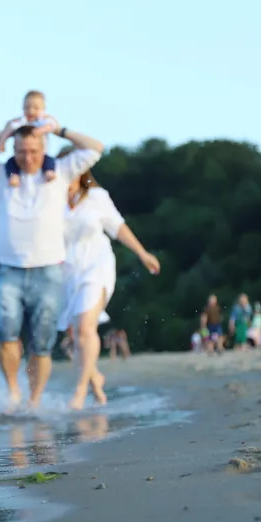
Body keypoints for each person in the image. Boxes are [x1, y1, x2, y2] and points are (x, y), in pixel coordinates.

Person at [0, 122, 104, 410]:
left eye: (34, 151)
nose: (28, 157)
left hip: (49, 271)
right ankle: (13, 392)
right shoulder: (1, 175)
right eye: (21, 151)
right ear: (14, 149)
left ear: (44, 148)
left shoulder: (60, 172)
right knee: (6, 331)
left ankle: (34, 401)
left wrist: (59, 129)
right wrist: (4, 133)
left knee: (43, 343)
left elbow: (95, 147)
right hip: (9, 269)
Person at [56, 164, 159, 409]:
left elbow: (118, 227)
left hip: (96, 266)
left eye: (71, 169)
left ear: (82, 171)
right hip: (66, 274)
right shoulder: (50, 200)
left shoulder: (96, 197)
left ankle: (80, 392)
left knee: (85, 328)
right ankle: (94, 377)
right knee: (73, 338)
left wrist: (142, 253)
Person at [0, 91, 58, 186]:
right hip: (19, 159)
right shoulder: (21, 122)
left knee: (49, 161)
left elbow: (53, 125)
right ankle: (13, 176)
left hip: (42, 156)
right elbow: (9, 129)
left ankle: (48, 172)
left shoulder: (42, 122)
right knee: (10, 163)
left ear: (44, 110)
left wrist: (40, 130)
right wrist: (2, 142)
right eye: (27, 107)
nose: (31, 111)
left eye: (36, 108)